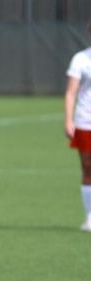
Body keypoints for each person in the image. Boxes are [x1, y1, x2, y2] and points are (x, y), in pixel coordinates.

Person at [65, 21, 91, 232]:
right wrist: (68, 120)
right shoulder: (81, 59)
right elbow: (71, 92)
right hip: (85, 121)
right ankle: (90, 216)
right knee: (88, 168)